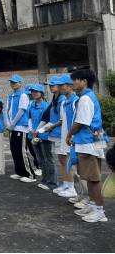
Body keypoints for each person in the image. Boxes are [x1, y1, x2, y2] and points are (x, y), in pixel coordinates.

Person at [66, 69, 108, 223]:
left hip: (88, 143)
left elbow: (81, 122)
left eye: (76, 79)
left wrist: (69, 134)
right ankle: (92, 205)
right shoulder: (86, 97)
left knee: (94, 178)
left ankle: (99, 211)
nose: (73, 83)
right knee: (90, 177)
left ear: (84, 81)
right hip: (87, 142)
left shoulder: (85, 99)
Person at [58, 74, 88, 202]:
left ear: (70, 87)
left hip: (77, 140)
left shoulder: (76, 101)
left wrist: (71, 136)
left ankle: (87, 198)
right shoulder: (66, 102)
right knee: (74, 168)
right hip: (70, 140)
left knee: (82, 170)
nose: (59, 88)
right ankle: (80, 194)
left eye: (61, 86)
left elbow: (79, 122)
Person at [5, 75, 35, 182]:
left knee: (22, 151)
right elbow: (7, 110)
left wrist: (12, 123)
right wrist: (8, 123)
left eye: (15, 82)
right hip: (12, 127)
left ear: (20, 83)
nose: (13, 84)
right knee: (14, 150)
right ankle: (19, 172)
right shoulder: (11, 96)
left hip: (21, 127)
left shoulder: (23, 96)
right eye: (11, 82)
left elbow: (21, 111)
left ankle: (29, 174)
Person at [42, 77, 68, 194]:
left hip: (60, 133)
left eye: (53, 85)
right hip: (55, 133)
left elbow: (62, 119)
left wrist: (51, 127)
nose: (51, 87)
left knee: (65, 161)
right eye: (50, 85)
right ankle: (66, 184)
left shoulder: (62, 100)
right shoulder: (55, 99)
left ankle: (69, 186)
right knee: (62, 160)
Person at [29, 84, 58, 190]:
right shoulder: (32, 105)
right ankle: (45, 180)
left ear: (42, 93)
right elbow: (30, 118)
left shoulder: (46, 106)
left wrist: (37, 131)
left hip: (44, 136)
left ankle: (52, 182)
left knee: (48, 159)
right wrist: (31, 130)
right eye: (33, 91)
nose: (34, 93)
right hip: (34, 134)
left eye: (37, 91)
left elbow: (48, 121)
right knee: (40, 160)